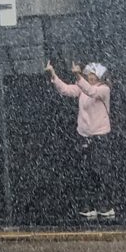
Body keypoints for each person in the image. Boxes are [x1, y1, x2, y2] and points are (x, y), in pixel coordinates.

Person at [50, 60, 115, 220]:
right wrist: (53, 74)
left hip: (100, 136)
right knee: (86, 172)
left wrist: (78, 76)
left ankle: (104, 206)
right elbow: (66, 90)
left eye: (93, 76)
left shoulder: (104, 90)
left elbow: (92, 92)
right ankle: (89, 206)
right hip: (84, 136)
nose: (90, 78)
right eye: (89, 75)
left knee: (99, 171)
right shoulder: (83, 87)